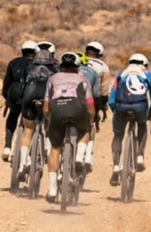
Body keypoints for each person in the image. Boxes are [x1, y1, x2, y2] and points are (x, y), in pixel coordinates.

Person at [42, 51, 95, 203]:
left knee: (55, 148)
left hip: (57, 113)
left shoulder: (52, 79)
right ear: (78, 66)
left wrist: (50, 120)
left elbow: (46, 108)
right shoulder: (83, 79)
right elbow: (90, 108)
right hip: (78, 112)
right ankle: (79, 157)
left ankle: (52, 189)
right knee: (85, 131)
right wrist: (89, 121)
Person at [108, 51, 151, 186]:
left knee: (118, 135)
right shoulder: (149, 75)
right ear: (145, 65)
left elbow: (111, 100)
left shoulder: (121, 74)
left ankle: (115, 166)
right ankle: (140, 157)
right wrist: (150, 114)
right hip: (140, 107)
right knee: (142, 125)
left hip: (121, 107)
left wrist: (116, 112)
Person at [16, 47, 59, 180]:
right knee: (50, 124)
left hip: (31, 93)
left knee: (28, 128)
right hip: (47, 97)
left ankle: (23, 164)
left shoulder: (29, 68)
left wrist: (20, 101)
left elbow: (21, 87)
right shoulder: (55, 70)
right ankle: (47, 150)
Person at [0, 39, 38, 161]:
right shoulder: (36, 64)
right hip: (28, 92)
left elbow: (6, 82)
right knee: (31, 121)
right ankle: (27, 151)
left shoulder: (13, 62)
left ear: (22, 51)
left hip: (13, 91)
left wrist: (7, 98)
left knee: (12, 115)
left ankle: (7, 146)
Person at [81, 41, 112, 171]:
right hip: (91, 98)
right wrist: (103, 107)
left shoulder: (78, 60)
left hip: (70, 94)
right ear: (100, 54)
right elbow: (103, 91)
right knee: (91, 124)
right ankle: (88, 156)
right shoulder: (103, 66)